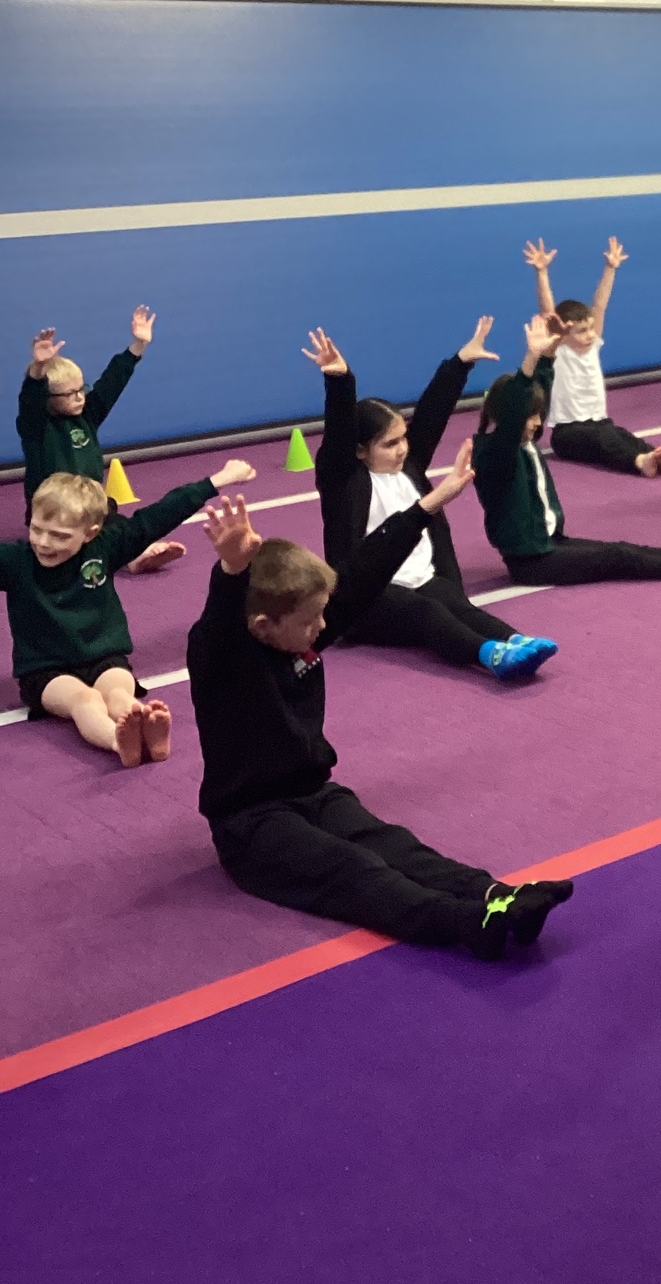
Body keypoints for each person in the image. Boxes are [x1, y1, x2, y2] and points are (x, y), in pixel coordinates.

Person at [188, 467, 573, 956]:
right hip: (251, 823)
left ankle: (493, 894)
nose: (323, 627)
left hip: (313, 793)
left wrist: (426, 507)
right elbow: (218, 629)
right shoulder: (223, 658)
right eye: (310, 621)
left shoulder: (297, 637)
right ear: (264, 625)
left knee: (393, 845)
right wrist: (232, 572)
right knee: (353, 869)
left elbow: (363, 574)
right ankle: (464, 922)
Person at [307, 322, 555, 681]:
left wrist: (460, 363)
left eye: (403, 439)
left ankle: (516, 640)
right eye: (390, 444)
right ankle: (491, 655)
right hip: (367, 597)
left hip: (421, 577)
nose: (402, 449)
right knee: (427, 612)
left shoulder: (409, 467)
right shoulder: (345, 483)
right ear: (360, 450)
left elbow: (431, 413)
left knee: (457, 604)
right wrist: (340, 381)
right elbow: (338, 437)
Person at [1, 458, 255, 765]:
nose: (43, 543)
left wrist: (219, 479)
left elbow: (159, 515)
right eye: (37, 530)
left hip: (105, 659)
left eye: (59, 536)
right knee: (85, 700)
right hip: (46, 671)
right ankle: (118, 740)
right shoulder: (15, 562)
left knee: (120, 696)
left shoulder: (105, 548)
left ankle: (146, 727)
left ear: (90, 533)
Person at [476, 317, 661, 582]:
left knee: (622, 548)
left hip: (550, 542)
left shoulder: (524, 443)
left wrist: (548, 357)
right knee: (618, 557)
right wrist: (530, 359)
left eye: (538, 415)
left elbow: (540, 392)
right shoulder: (496, 453)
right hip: (531, 562)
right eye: (529, 417)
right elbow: (516, 412)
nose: (538, 423)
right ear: (507, 417)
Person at [18, 312, 182, 572]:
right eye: (69, 394)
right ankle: (135, 556)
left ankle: (138, 554)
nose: (79, 397)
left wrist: (137, 346)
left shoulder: (87, 416)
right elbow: (30, 401)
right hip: (53, 506)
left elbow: (111, 383)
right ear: (48, 398)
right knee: (91, 531)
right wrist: (37, 370)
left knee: (111, 519)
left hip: (90, 504)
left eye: (81, 389)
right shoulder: (36, 428)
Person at [525, 236, 661, 475]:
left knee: (621, 435)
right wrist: (541, 272)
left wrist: (610, 268)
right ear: (564, 333)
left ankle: (656, 455)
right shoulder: (559, 350)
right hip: (567, 433)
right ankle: (640, 462)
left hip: (601, 422)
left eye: (591, 329)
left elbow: (599, 305)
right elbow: (548, 312)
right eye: (582, 331)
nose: (590, 335)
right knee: (603, 440)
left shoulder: (592, 347)